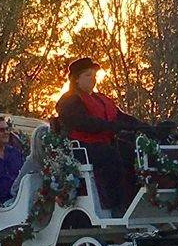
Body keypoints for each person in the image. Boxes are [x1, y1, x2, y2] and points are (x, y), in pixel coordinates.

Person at [55, 58, 170, 211]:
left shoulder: (101, 99)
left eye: (94, 75)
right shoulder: (69, 100)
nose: (93, 79)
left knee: (132, 152)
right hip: (83, 148)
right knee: (111, 156)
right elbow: (83, 123)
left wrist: (146, 128)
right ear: (76, 79)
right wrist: (112, 127)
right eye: (88, 75)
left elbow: (122, 117)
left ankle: (137, 199)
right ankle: (115, 204)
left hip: (104, 144)